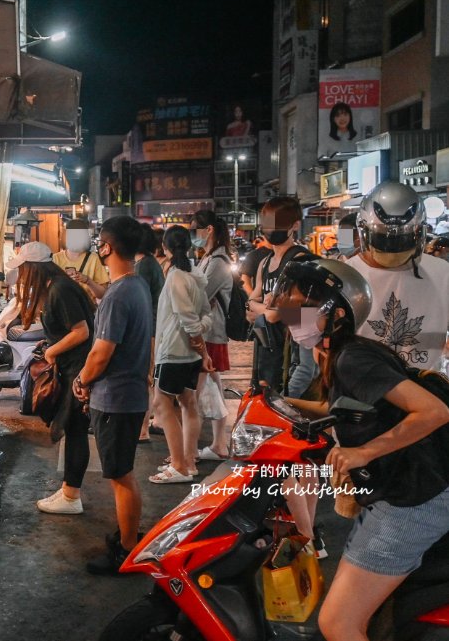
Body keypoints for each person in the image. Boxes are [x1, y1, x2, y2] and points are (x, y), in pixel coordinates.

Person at [271, 258, 449, 641]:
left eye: (298, 305)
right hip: (403, 489)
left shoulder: (353, 359)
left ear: (333, 313)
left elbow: (434, 411)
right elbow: (340, 410)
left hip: (413, 499)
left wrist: (363, 452)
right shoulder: (345, 354)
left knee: (338, 624)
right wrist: (281, 402)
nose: (288, 313)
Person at [72, 216, 152, 575]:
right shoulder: (135, 286)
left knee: (121, 476)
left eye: (100, 242)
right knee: (123, 473)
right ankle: (129, 533)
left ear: (106, 247)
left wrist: (82, 380)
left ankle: (127, 548)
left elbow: (101, 352)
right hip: (128, 394)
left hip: (117, 399)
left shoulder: (119, 295)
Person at [5, 242, 95, 514]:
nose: (20, 276)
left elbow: (81, 332)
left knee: (77, 429)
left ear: (32, 268)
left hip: (76, 369)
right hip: (71, 367)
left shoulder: (59, 289)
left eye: (21, 269)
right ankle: (69, 490)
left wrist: (52, 350)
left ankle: (71, 497)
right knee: (73, 429)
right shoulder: (56, 286)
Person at [347, 181, 449, 371]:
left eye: (402, 240)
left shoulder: (443, 273)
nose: (392, 251)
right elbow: (307, 331)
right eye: (383, 240)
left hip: (425, 388)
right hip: (361, 388)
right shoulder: (345, 275)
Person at [148, 226, 213, 484]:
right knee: (187, 403)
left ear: (165, 248)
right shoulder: (194, 276)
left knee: (161, 404)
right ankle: (188, 461)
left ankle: (179, 466)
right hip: (189, 354)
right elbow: (207, 313)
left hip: (173, 351)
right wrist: (202, 346)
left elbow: (189, 321)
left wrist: (197, 333)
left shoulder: (176, 277)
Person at [246, 197, 311, 392]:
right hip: (265, 357)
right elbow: (249, 309)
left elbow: (308, 316)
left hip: (293, 363)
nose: (271, 229)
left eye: (278, 223)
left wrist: (272, 312)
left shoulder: (303, 261)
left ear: (295, 225)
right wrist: (270, 309)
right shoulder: (265, 263)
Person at [191, 210, 233, 460]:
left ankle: (188, 451)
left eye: (195, 228)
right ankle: (219, 443)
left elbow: (199, 297)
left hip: (211, 332)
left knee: (196, 392)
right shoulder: (208, 257)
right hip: (208, 330)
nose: (192, 233)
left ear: (208, 230)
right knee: (212, 387)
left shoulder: (217, 261)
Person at [134, 224, 165, 442]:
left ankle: (143, 429)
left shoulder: (144, 265)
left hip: (151, 328)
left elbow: (140, 301)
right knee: (149, 377)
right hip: (154, 325)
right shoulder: (148, 263)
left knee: (147, 377)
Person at [52, 218, 110, 300]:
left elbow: (102, 294)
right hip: (61, 309)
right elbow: (48, 289)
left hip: (86, 310)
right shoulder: (55, 258)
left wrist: (87, 280)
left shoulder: (94, 258)